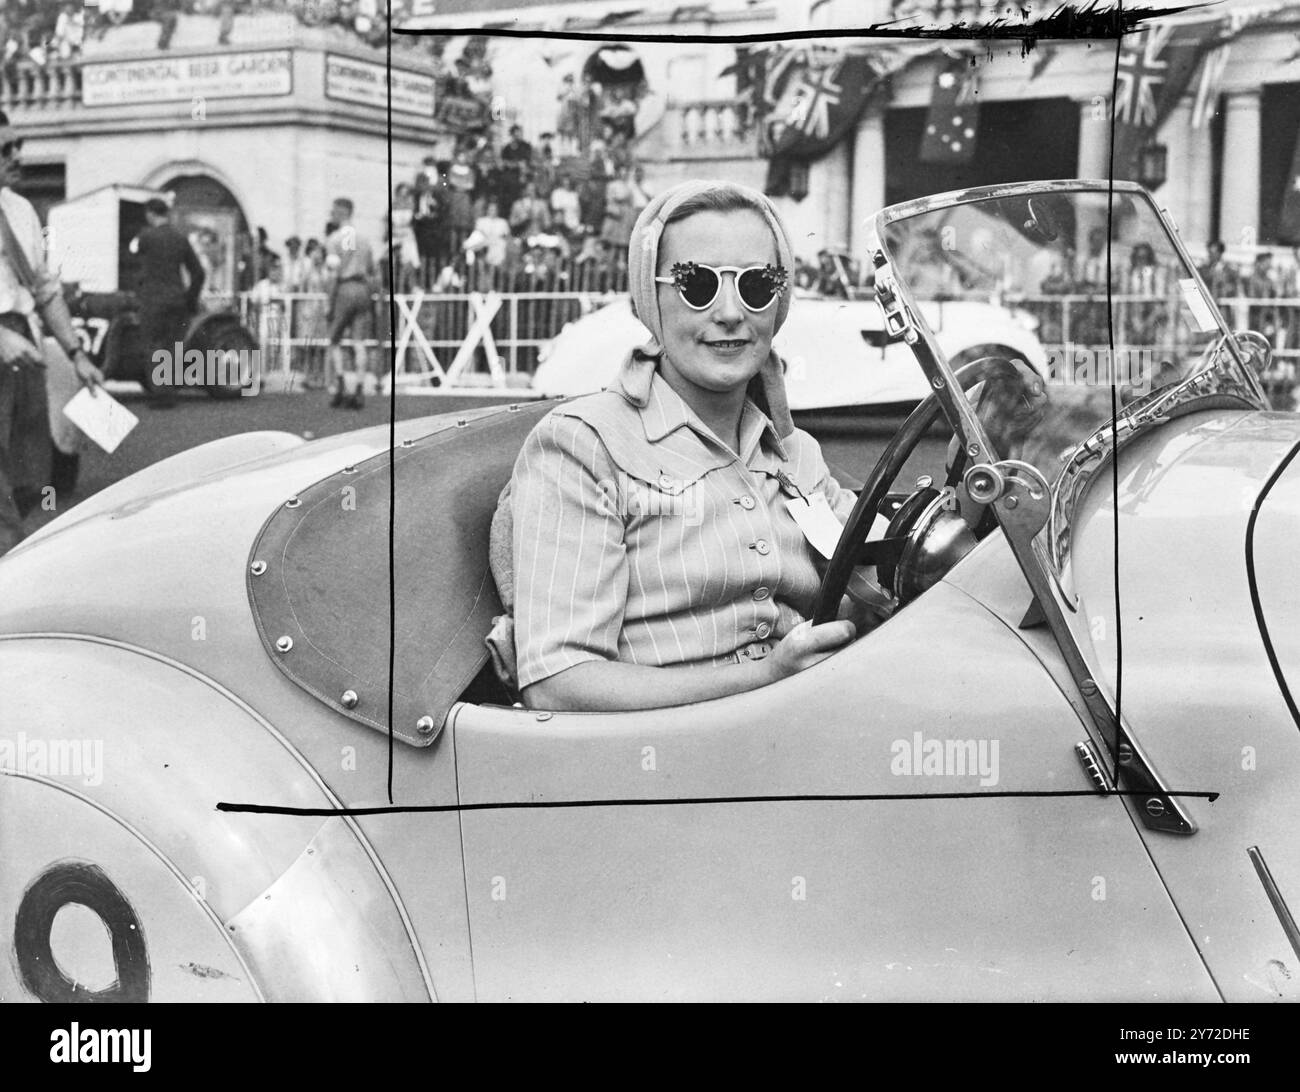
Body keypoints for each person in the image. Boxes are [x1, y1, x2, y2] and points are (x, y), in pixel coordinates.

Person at [492, 180, 865, 712]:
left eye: (758, 284)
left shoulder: (795, 452)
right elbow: (558, 682)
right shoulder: (583, 444)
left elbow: (874, 574)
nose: (732, 311)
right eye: (697, 285)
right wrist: (769, 676)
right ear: (652, 294)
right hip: (669, 762)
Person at [0, 110, 102, 552]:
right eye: (5, 149)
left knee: (30, 475)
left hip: (25, 346)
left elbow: (45, 288)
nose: (16, 155)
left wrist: (77, 353)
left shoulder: (20, 209)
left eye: (17, 146)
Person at [130, 197, 206, 407]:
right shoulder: (180, 238)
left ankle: (160, 395)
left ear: (150, 214)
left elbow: (135, 255)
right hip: (177, 300)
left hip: (153, 301)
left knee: (153, 345)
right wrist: (190, 298)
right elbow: (198, 273)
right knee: (172, 347)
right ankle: (169, 392)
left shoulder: (146, 237)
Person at [324, 196, 377, 409]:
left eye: (334, 211)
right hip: (362, 288)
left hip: (344, 288)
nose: (332, 215)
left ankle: (341, 384)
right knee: (359, 342)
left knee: (334, 340)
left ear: (342, 212)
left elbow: (333, 274)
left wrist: (330, 301)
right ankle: (359, 389)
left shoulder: (334, 239)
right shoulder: (364, 239)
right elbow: (372, 269)